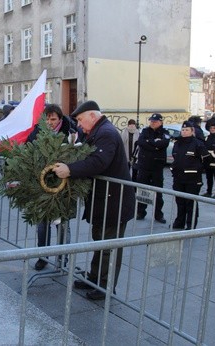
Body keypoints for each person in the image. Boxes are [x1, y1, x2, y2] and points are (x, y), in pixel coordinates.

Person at [52, 100, 135, 300]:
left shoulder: (106, 133)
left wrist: (70, 170)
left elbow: (98, 162)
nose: (79, 124)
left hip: (114, 201)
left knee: (108, 246)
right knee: (99, 242)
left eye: (81, 119)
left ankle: (105, 287)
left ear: (92, 116)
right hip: (104, 199)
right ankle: (94, 278)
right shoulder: (98, 131)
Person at [27, 104, 79, 271]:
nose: (49, 122)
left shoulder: (71, 132)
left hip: (64, 188)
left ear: (60, 118)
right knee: (42, 224)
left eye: (53, 118)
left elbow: (79, 155)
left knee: (62, 224)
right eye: (47, 118)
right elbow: (28, 151)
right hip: (42, 186)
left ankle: (63, 259)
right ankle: (42, 257)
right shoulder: (37, 131)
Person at [170, 121, 210, 230]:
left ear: (192, 131)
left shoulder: (198, 143)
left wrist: (198, 169)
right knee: (180, 201)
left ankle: (191, 225)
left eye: (187, 130)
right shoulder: (178, 143)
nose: (184, 132)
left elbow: (206, 159)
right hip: (178, 177)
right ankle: (180, 222)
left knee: (190, 203)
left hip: (192, 179)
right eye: (183, 130)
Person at [135, 113, 171, 224]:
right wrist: (154, 144)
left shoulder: (165, 132)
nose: (152, 123)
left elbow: (163, 144)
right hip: (144, 166)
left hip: (157, 167)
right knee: (142, 191)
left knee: (158, 192)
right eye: (151, 121)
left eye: (155, 121)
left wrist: (149, 142)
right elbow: (140, 142)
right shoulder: (145, 131)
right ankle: (141, 212)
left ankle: (158, 214)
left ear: (160, 122)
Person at [202, 117, 215, 198]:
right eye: (211, 128)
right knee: (209, 178)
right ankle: (209, 192)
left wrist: (210, 155)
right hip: (207, 162)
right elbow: (204, 148)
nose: (212, 129)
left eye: (214, 128)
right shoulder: (207, 137)